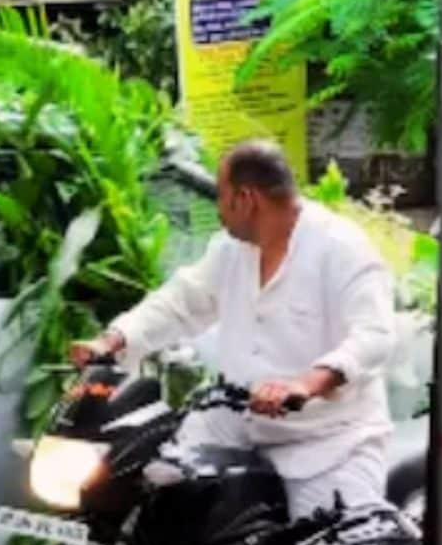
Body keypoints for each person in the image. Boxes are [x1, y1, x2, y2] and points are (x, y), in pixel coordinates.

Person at [70, 139, 397, 520]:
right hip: (237, 422)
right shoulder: (229, 251)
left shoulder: (340, 247)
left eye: (222, 199)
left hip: (328, 440)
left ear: (246, 199)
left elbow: (374, 336)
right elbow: (180, 302)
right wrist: (112, 340)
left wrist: (306, 384)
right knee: (152, 493)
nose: (220, 211)